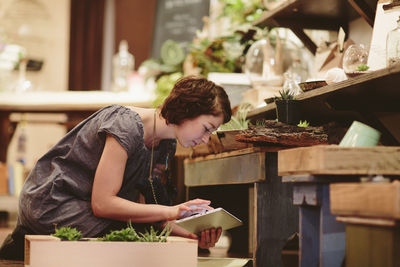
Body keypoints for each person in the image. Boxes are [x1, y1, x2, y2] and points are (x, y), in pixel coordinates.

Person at [0, 75, 232, 260]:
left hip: (87, 207)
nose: (206, 139)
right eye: (206, 128)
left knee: (144, 235)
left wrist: (193, 234)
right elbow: (103, 203)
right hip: (53, 202)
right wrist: (173, 212)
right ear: (188, 111)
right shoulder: (126, 124)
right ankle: (19, 245)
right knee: (134, 240)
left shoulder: (167, 144)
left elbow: (142, 210)